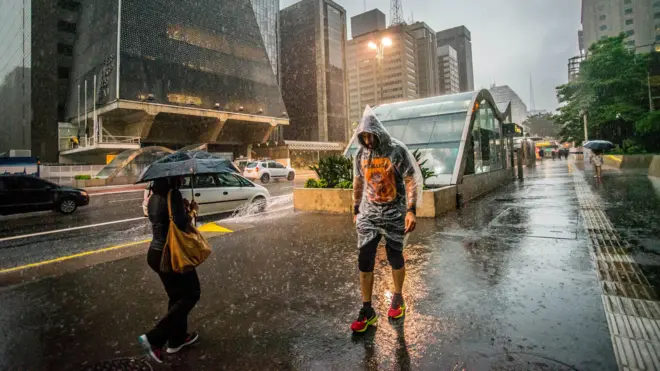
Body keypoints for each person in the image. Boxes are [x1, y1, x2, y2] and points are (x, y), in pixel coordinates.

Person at [350, 108, 422, 333]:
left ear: (378, 132)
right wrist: (355, 209)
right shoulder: (361, 155)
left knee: (394, 256)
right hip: (369, 214)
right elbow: (358, 182)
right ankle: (367, 310)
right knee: (365, 259)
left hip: (394, 212)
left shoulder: (396, 151)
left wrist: (411, 210)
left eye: (371, 136)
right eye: (364, 137)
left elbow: (410, 180)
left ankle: (398, 298)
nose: (368, 141)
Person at [139, 176, 200, 363]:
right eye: (180, 177)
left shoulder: (153, 196)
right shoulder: (172, 194)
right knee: (192, 294)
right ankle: (154, 338)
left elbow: (164, 221)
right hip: (172, 255)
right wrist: (192, 211)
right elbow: (181, 224)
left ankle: (177, 340)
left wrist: (180, 209)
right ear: (172, 179)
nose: (183, 179)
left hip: (156, 253)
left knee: (177, 297)